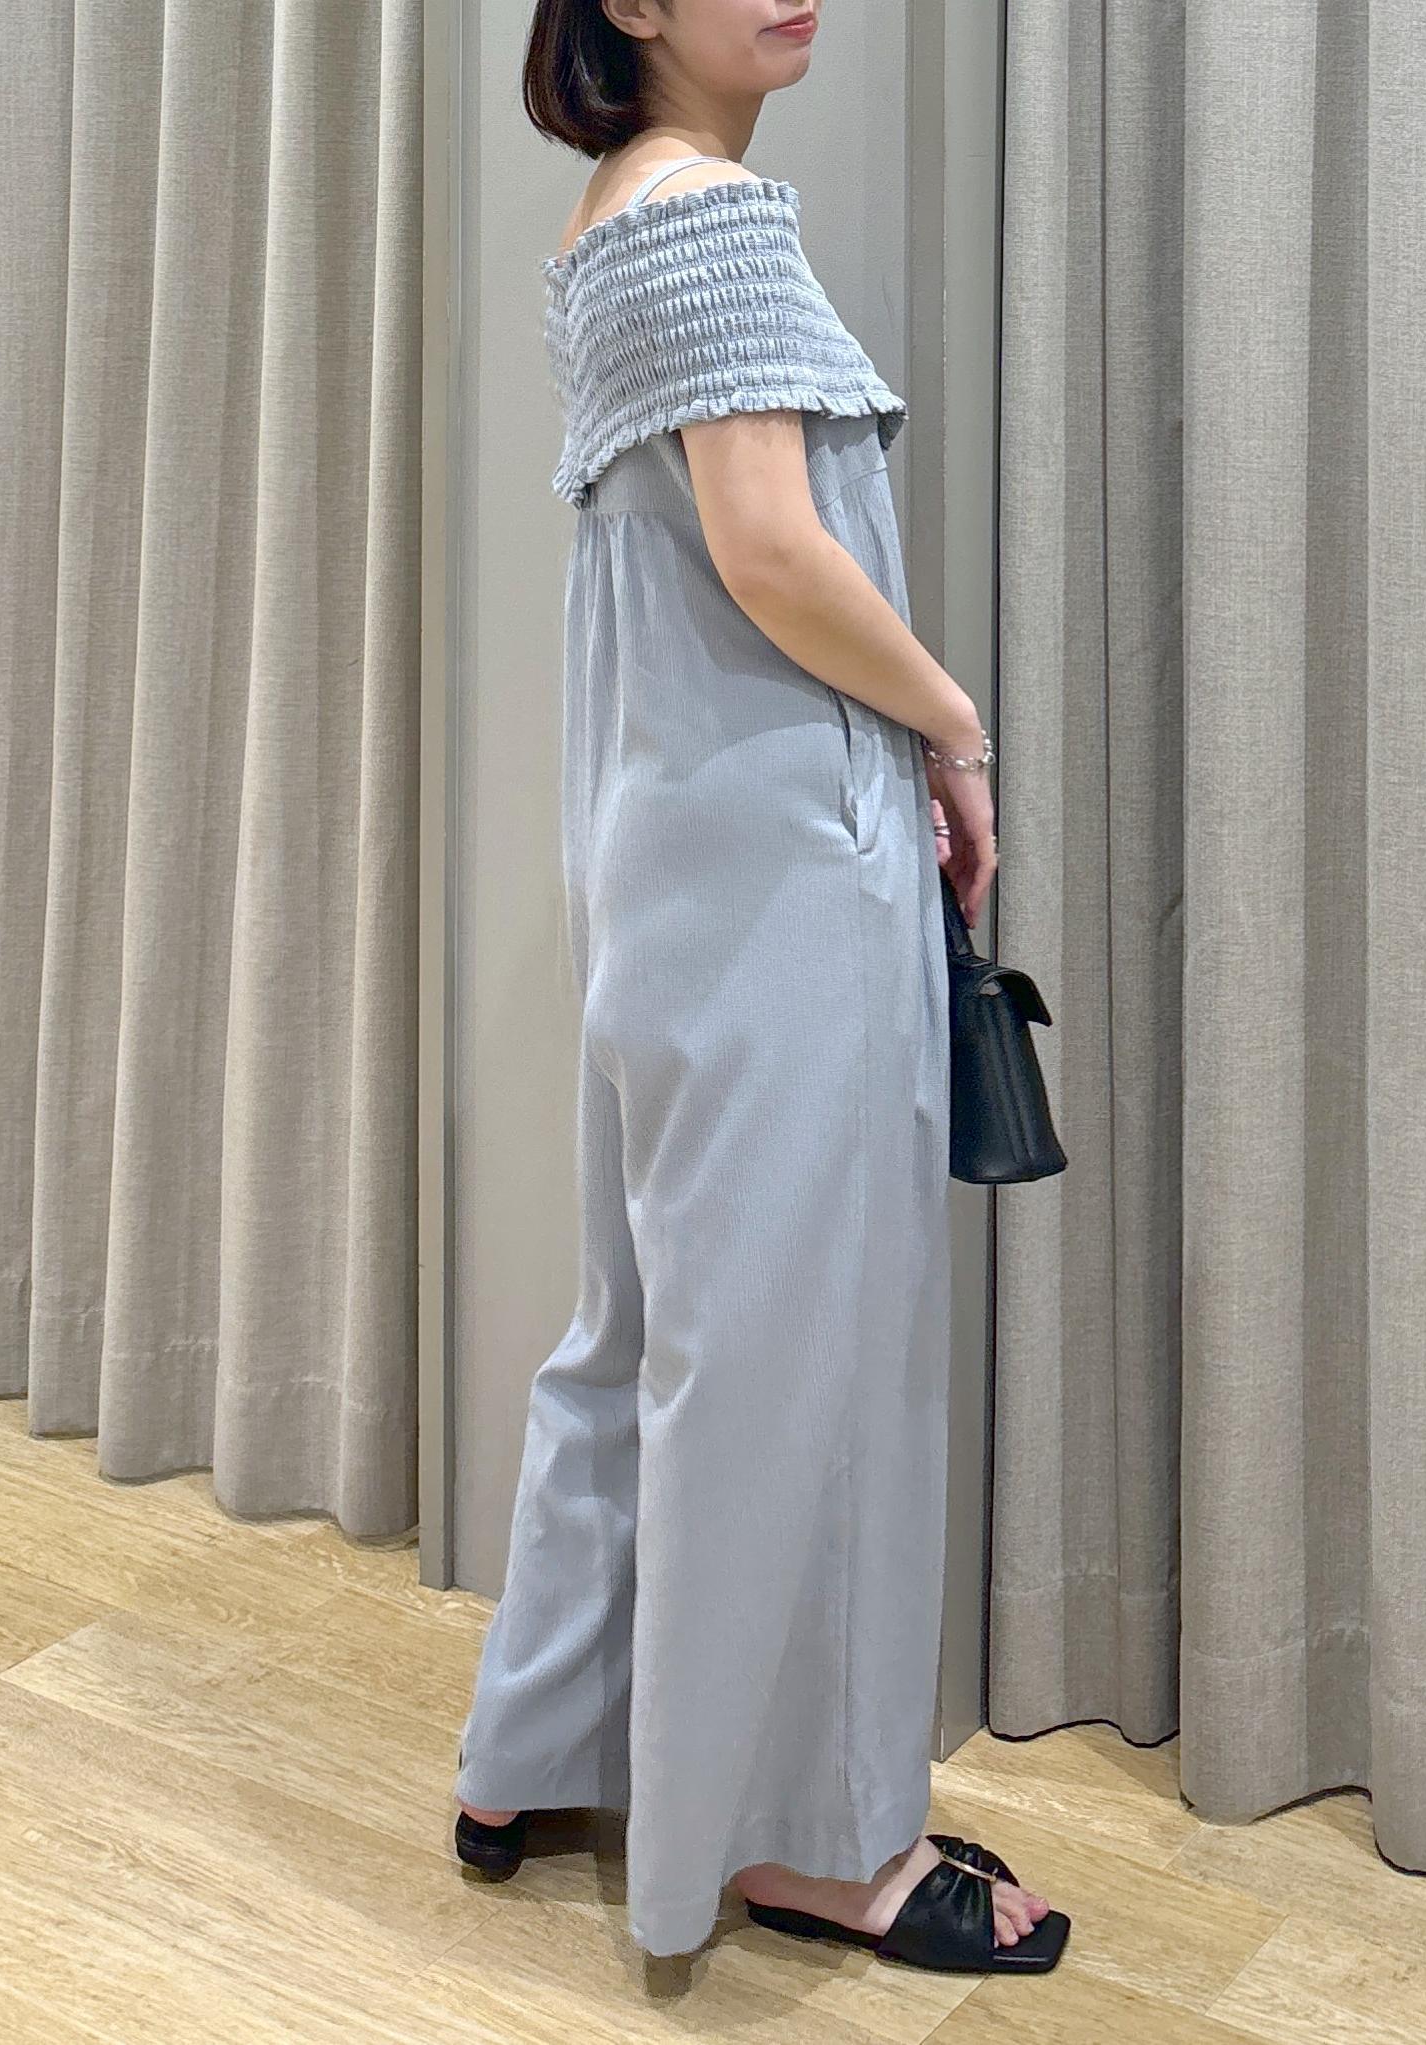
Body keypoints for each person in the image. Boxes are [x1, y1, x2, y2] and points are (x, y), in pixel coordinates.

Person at [453, 0, 1071, 1976]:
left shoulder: (609, 214)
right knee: (796, 1359)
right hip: (782, 863)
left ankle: (541, 1748)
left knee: (648, 1328)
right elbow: (772, 552)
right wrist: (956, 728)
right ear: (630, 2)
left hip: (666, 851)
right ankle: (809, 1844)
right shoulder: (708, 210)